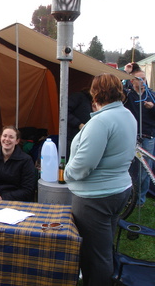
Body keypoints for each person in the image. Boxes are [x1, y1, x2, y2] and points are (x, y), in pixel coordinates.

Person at [64, 73, 136, 286]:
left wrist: (67, 173)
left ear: (95, 93)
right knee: (103, 248)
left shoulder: (101, 122)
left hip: (95, 198)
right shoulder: (127, 116)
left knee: (95, 255)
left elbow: (84, 165)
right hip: (119, 190)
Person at [123, 66, 155, 206]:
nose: (142, 81)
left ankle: (140, 200)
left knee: (146, 169)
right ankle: (129, 197)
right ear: (132, 81)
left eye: (144, 79)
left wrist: (153, 108)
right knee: (130, 167)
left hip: (148, 136)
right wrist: (126, 71)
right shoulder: (128, 96)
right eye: (139, 79)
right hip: (132, 136)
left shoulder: (152, 95)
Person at [0, 126, 36, 201]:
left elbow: (28, 189)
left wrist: (4, 197)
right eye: (4, 136)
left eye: (11, 137)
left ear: (17, 141)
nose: (7, 139)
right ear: (0, 138)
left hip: (16, 200)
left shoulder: (26, 160)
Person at [67, 88, 92, 160]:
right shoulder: (79, 97)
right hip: (72, 137)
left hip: (86, 139)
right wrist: (78, 124)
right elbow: (64, 111)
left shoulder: (93, 101)